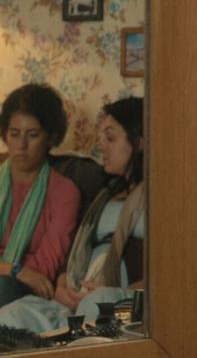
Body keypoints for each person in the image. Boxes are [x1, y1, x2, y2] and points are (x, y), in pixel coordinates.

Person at [0, 97, 146, 331]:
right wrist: (62, 286)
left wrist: (121, 291)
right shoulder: (105, 193)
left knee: (98, 304)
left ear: (139, 142)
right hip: (73, 297)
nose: (101, 146)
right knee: (11, 316)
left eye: (110, 138)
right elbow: (73, 256)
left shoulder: (161, 198)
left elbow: (170, 272)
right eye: (14, 134)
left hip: (119, 297)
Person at [0, 84, 80, 306]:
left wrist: (15, 275)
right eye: (14, 134)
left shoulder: (65, 192)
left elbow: (44, 268)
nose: (21, 145)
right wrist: (14, 269)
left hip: (20, 290)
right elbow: (23, 273)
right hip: (15, 275)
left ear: (51, 138)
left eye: (33, 135)